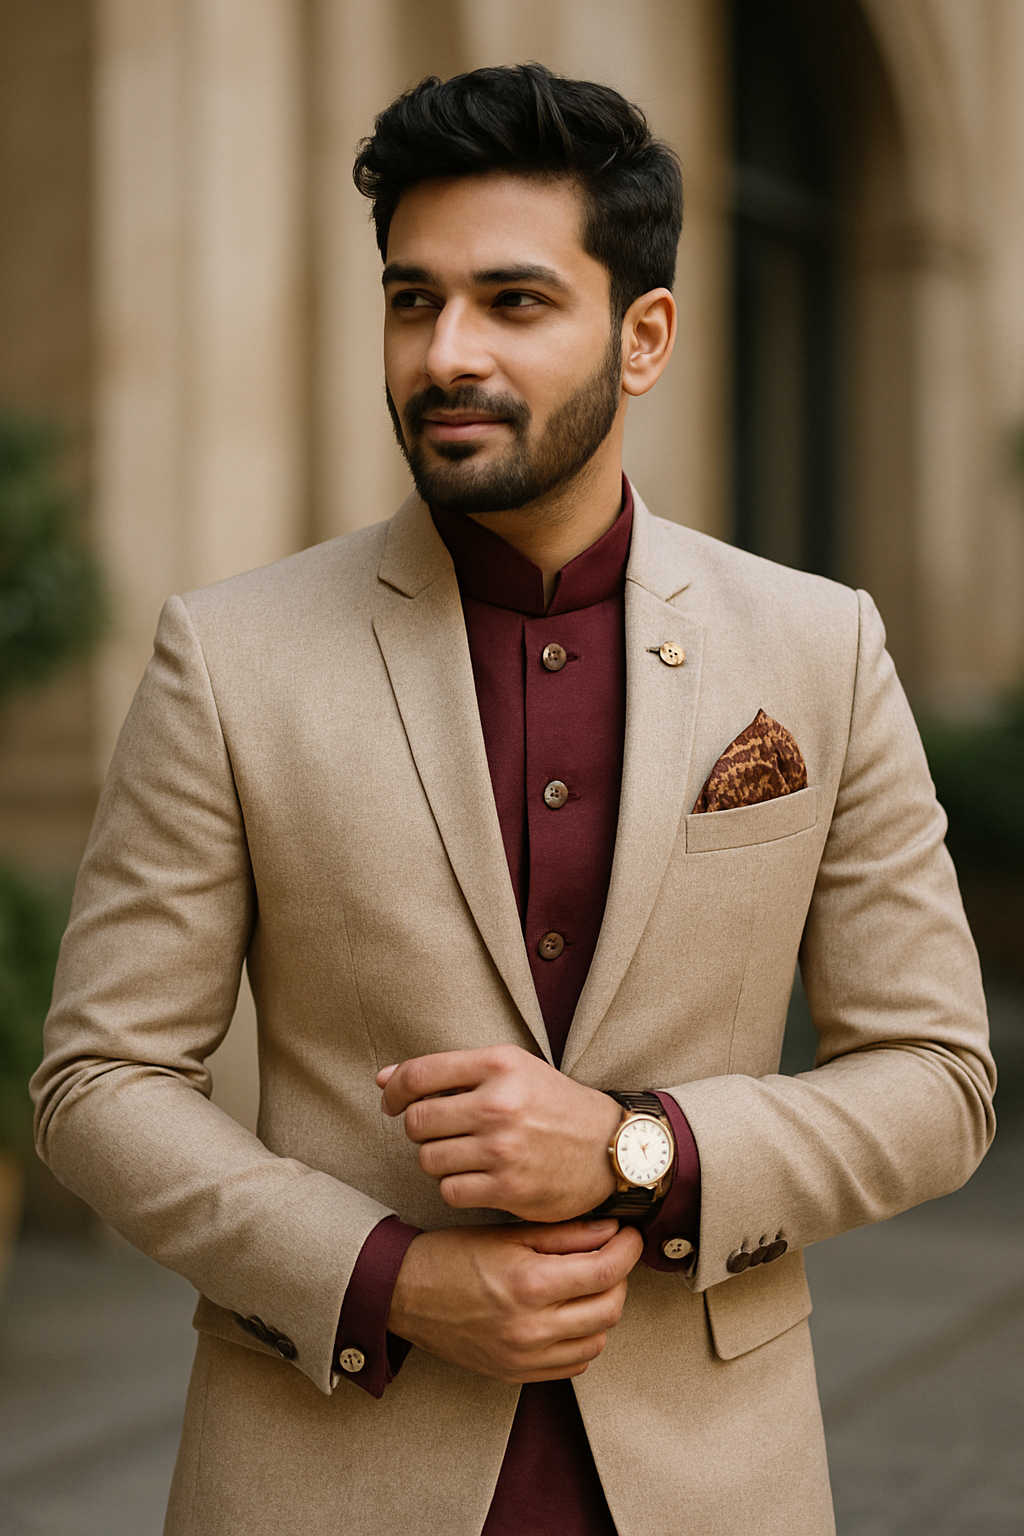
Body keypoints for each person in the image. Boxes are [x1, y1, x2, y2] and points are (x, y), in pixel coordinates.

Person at [32, 64, 994, 1536]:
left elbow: (937, 1077)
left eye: (515, 302)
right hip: (322, 1476)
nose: (447, 353)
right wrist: (388, 1278)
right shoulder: (228, 658)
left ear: (643, 334)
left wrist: (636, 1149)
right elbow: (100, 1081)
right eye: (413, 300)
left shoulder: (818, 647)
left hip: (713, 1483)